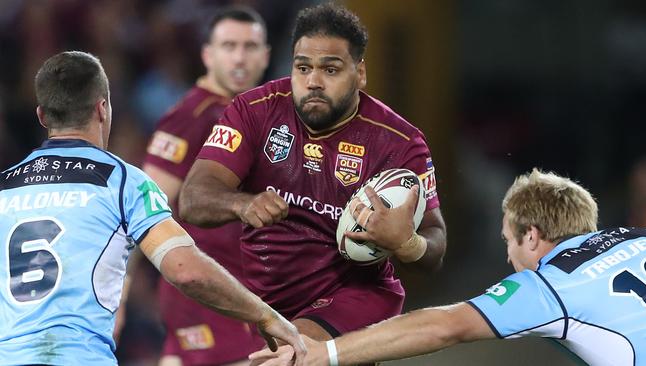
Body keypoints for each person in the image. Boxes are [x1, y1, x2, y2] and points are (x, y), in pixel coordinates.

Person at [0, 51, 305, 365]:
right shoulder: (123, 182)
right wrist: (265, 316)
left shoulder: (4, 187)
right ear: (102, 109)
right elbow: (186, 271)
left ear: (41, 115)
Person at [179, 3, 447, 345]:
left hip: (353, 295)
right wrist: (241, 204)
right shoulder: (254, 111)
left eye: (331, 70)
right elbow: (192, 199)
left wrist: (407, 243)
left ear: (360, 73)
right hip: (262, 299)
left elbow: (435, 241)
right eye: (302, 67)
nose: (314, 82)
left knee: (292, 352)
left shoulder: (398, 142)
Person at [250, 168, 646, 366]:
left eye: (508, 242)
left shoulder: (548, 286)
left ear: (530, 236)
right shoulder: (641, 236)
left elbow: (445, 324)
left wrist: (325, 353)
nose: (510, 259)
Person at [141, 6, 270, 366]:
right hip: (207, 293)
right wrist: (120, 295)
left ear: (266, 55)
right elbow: (143, 206)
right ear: (208, 55)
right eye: (229, 46)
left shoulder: (247, 114)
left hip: (236, 290)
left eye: (250, 47)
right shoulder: (193, 116)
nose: (240, 58)